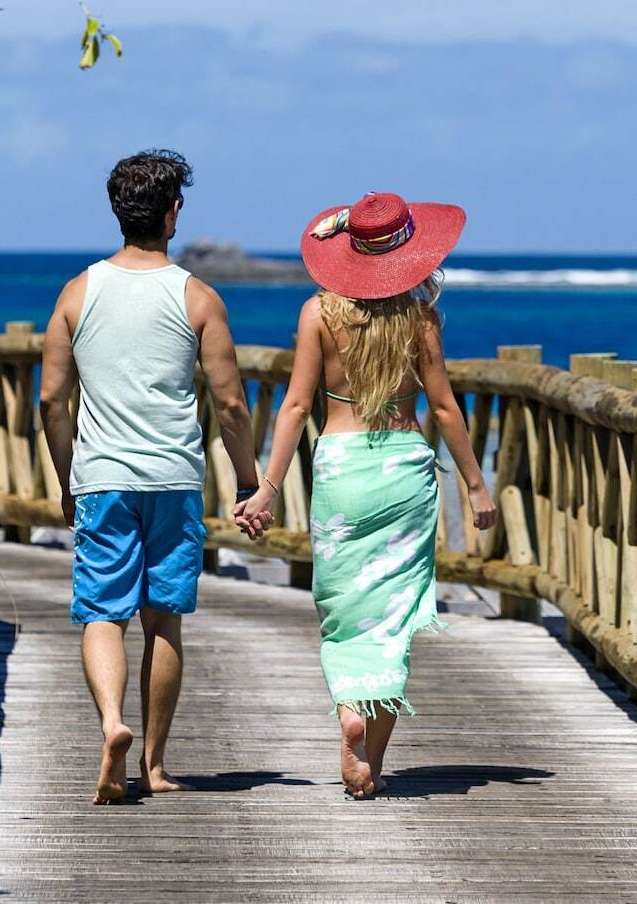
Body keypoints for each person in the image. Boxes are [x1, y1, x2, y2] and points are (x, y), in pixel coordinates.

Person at [38, 149, 273, 804]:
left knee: (101, 611)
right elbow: (230, 402)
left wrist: (67, 476)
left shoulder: (77, 293)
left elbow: (52, 401)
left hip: (103, 475)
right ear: (172, 213)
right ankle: (155, 764)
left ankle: (113, 722)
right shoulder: (197, 295)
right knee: (162, 619)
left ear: (118, 210)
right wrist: (249, 480)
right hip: (171, 476)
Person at [254, 191, 497, 798]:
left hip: (340, 470)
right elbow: (443, 408)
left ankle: (348, 713)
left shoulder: (318, 314)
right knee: (392, 616)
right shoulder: (421, 318)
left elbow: (296, 406)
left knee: (343, 614)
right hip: (404, 472)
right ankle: (371, 764)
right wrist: (475, 484)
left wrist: (267, 488)